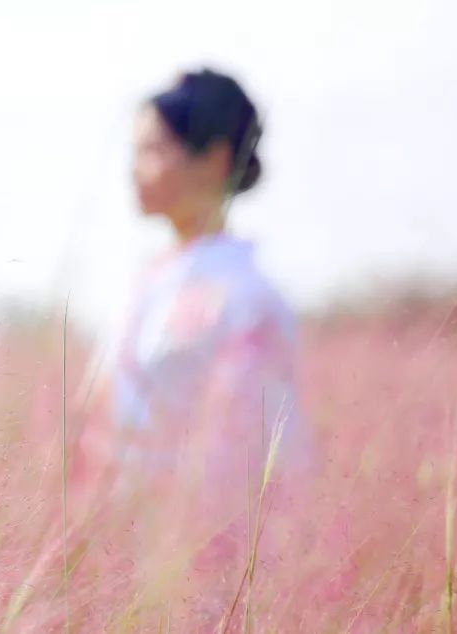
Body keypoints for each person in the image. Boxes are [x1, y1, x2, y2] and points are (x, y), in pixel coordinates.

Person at [79, 67, 314, 543]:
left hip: (196, 553)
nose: (133, 167)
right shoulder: (141, 283)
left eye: (152, 150)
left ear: (213, 159)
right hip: (116, 541)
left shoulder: (248, 299)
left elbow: (269, 455)